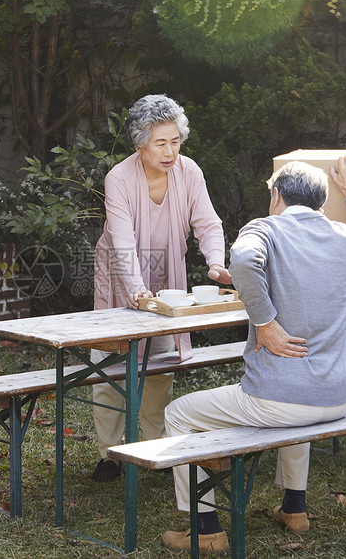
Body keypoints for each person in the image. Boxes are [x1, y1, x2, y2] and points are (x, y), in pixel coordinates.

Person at [160, 156, 346, 553]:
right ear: (320, 202)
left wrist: (265, 321)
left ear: (276, 196)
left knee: (178, 413)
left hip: (279, 400)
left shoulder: (265, 228)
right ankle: (294, 509)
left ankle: (206, 529)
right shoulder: (345, 239)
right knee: (296, 400)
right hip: (336, 399)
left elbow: (244, 258)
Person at [89, 94, 232, 482]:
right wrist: (136, 289)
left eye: (175, 141)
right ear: (140, 143)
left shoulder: (189, 172)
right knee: (110, 368)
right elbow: (121, 241)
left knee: (160, 367)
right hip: (120, 276)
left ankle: (154, 449)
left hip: (168, 279)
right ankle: (109, 454)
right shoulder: (119, 178)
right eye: (160, 143)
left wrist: (216, 262)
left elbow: (207, 222)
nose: (170, 151)